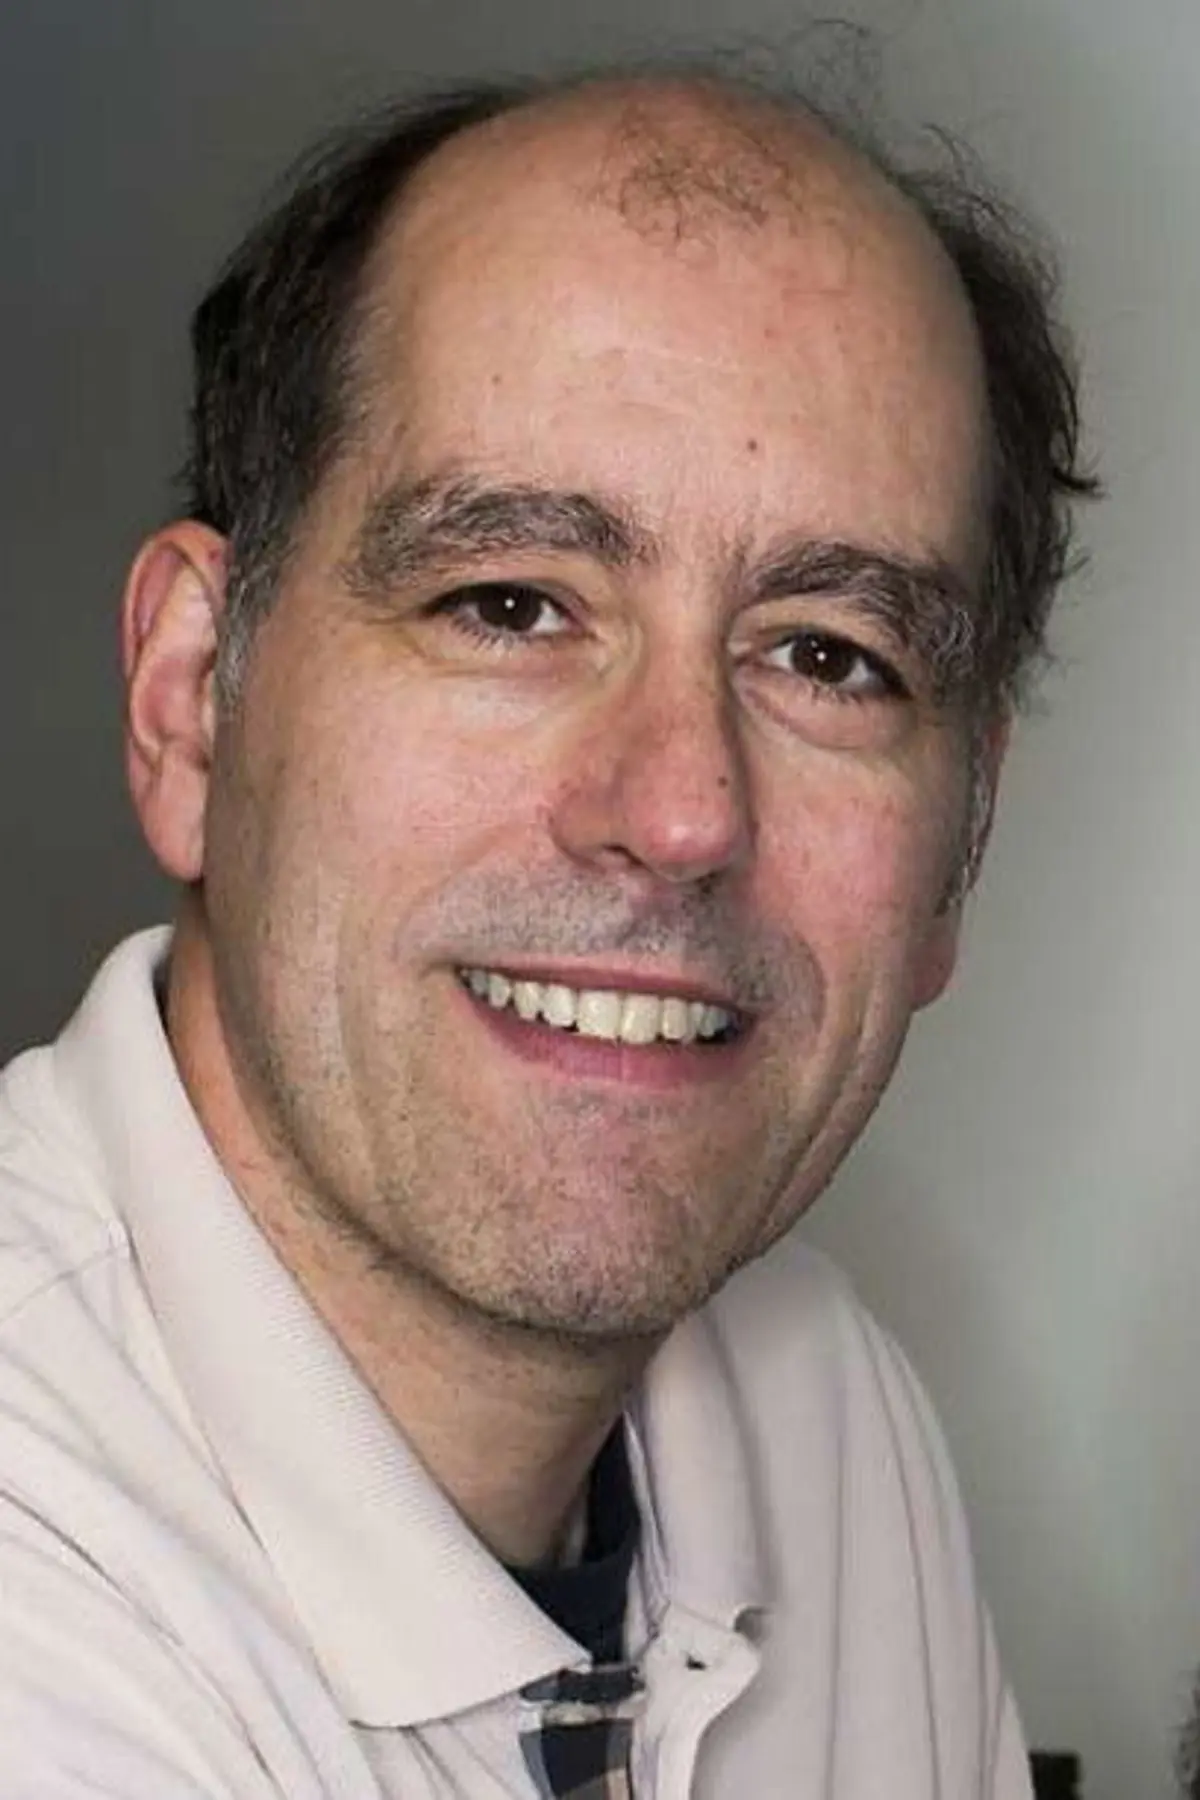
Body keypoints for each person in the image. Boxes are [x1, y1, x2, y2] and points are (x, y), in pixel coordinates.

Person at [0, 61, 1094, 1798]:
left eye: (829, 656)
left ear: (965, 845)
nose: (681, 810)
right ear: (195, 700)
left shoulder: (832, 1413)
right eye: (510, 604)